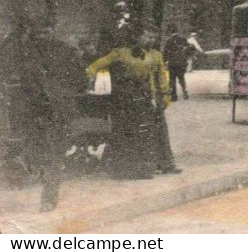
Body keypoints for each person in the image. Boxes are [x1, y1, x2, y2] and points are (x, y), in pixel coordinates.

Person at [1, 15, 82, 210]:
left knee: (53, 153)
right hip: (35, 110)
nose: (42, 37)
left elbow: (80, 79)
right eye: (38, 34)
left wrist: (62, 93)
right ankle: (44, 187)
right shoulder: (25, 53)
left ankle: (49, 197)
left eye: (45, 32)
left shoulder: (63, 51)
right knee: (39, 151)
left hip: (55, 110)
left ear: (52, 31)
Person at [86, 26, 176, 179]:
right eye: (147, 36)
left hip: (151, 97)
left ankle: (164, 163)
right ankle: (133, 167)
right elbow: (97, 65)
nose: (151, 40)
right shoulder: (121, 53)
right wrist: (89, 76)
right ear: (137, 37)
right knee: (135, 132)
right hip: (130, 98)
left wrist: (165, 95)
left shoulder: (155, 55)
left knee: (157, 130)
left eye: (153, 37)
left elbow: (161, 76)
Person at [161, 26, 204, 101]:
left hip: (172, 63)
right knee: (181, 78)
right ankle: (185, 91)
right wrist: (188, 56)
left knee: (172, 79)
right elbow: (192, 48)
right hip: (181, 63)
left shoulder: (169, 41)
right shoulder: (183, 40)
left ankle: (174, 95)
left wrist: (164, 61)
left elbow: (165, 53)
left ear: (169, 32)